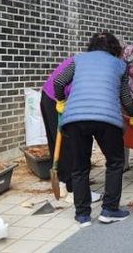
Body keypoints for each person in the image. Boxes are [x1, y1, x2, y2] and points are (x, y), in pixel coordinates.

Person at [54, 32, 133, 228]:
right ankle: (109, 210)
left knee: (79, 167)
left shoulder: (78, 60)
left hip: (75, 119)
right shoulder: (119, 65)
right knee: (115, 162)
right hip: (107, 119)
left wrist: (61, 100)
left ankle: (82, 216)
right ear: (115, 48)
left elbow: (58, 82)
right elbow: (125, 97)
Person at [40, 57, 102, 203]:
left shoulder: (89, 61)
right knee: (68, 144)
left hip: (51, 96)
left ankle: (64, 183)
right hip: (54, 98)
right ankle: (74, 190)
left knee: (61, 143)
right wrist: (61, 100)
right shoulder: (90, 65)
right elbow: (59, 82)